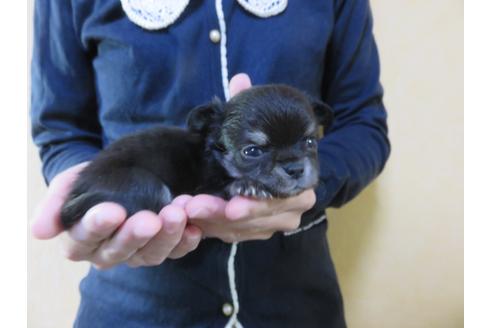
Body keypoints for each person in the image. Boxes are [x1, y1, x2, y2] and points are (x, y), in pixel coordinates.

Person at [30, 0, 390, 327]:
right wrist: (86, 188)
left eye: (308, 142)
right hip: (137, 301)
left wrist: (314, 185)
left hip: (296, 301)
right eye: (255, 151)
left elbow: (364, 122)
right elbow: (60, 128)